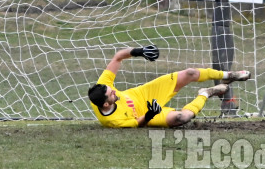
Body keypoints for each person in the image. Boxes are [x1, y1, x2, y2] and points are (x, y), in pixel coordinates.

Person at [87, 45, 250, 128]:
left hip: (143, 93)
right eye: (111, 94)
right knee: (181, 118)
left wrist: (140, 51)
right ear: (106, 104)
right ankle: (206, 93)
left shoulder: (102, 86)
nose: (114, 90)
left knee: (190, 73)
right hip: (148, 113)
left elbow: (118, 57)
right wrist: (151, 113)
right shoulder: (113, 121)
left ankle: (229, 75)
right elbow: (138, 124)